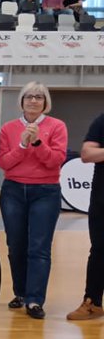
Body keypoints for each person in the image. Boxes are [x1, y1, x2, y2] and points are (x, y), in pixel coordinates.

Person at [0, 83, 66, 320]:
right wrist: (23, 144)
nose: (33, 100)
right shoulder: (9, 128)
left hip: (45, 191)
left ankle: (35, 300)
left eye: (39, 97)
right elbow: (4, 162)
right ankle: (21, 293)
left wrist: (37, 143)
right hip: (13, 191)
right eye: (29, 96)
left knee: (39, 248)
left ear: (45, 102)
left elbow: (55, 160)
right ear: (21, 101)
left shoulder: (57, 126)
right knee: (16, 246)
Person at [68, 112, 104, 321]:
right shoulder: (101, 121)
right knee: (99, 249)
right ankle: (92, 303)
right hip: (102, 198)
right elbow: (87, 154)